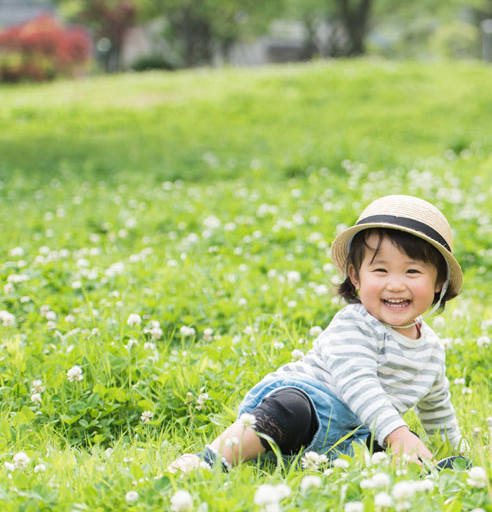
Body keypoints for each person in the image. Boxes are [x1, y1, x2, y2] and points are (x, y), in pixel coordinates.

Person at [168, 195, 465, 473]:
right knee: (292, 409)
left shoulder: (431, 350)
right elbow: (358, 384)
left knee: (393, 442)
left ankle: (434, 471)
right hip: (308, 407)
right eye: (381, 271)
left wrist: (454, 446)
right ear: (355, 277)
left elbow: (437, 410)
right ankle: (207, 462)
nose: (396, 285)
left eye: (412, 272)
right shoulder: (355, 324)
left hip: (349, 436)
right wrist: (397, 433)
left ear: (438, 282)